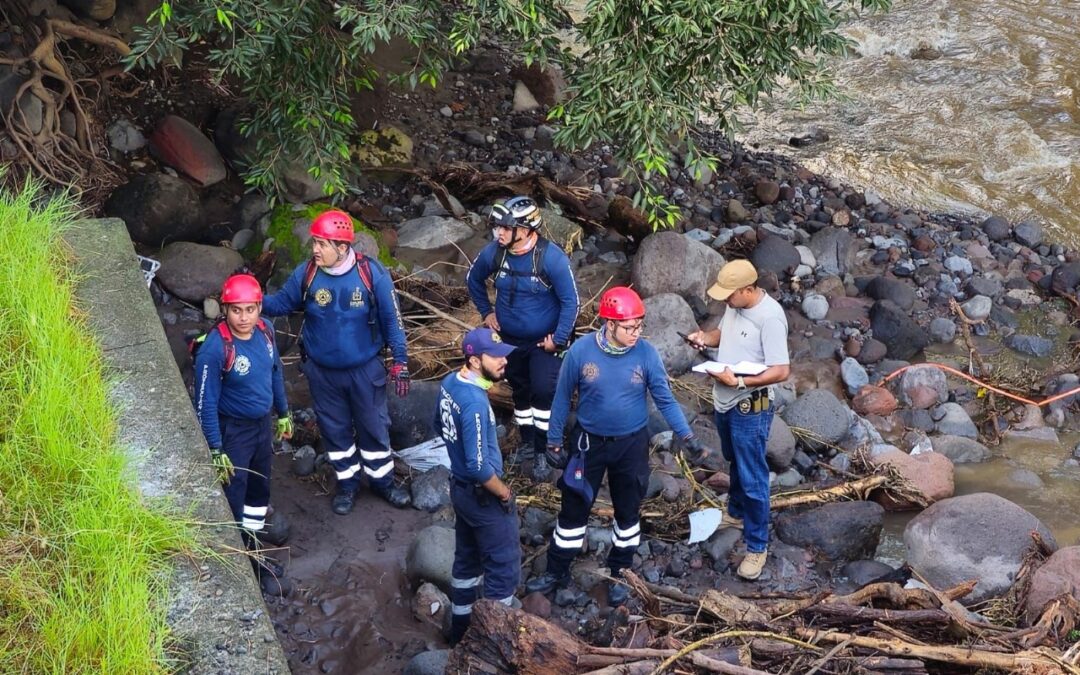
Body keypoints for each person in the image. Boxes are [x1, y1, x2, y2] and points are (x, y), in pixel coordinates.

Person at [525, 287, 707, 606]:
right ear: (609, 324)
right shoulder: (581, 351)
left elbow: (664, 398)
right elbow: (561, 397)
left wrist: (687, 436)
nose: (637, 332)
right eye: (630, 327)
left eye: (640, 325)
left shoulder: (647, 354)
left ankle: (621, 571)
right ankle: (557, 570)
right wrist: (553, 441)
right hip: (587, 443)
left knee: (628, 510)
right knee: (573, 509)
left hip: (631, 444)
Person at [262, 209, 411, 514]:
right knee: (335, 430)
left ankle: (383, 483)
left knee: (373, 427)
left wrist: (400, 360)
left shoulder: (372, 274)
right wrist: (251, 299)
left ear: (343, 248)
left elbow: (393, 320)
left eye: (322, 244)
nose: (315, 249)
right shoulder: (307, 274)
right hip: (322, 372)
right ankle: (348, 484)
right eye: (314, 242)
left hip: (365, 369)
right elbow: (280, 304)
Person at [687, 259, 790, 581]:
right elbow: (724, 334)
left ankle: (757, 546)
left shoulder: (771, 318)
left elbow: (780, 370)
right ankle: (735, 512)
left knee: (753, 474)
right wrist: (705, 338)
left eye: (729, 295)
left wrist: (742, 383)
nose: (724, 300)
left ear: (748, 289)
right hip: (724, 399)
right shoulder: (735, 306)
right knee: (733, 459)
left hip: (751, 406)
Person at [466, 196, 579, 480]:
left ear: (527, 229)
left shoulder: (550, 257)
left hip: (544, 342)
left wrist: (560, 339)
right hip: (509, 339)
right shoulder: (496, 253)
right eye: (497, 228)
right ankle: (528, 443)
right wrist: (486, 312)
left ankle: (544, 450)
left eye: (506, 228)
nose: (499, 233)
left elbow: (571, 302)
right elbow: (473, 279)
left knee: (543, 390)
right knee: (519, 389)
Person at [193, 273, 292, 581]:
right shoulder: (215, 347)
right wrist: (215, 446)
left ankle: (252, 545)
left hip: (262, 426)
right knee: (234, 494)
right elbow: (205, 402)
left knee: (260, 488)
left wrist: (284, 412)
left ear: (260, 308)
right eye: (237, 310)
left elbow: (275, 373)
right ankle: (239, 560)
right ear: (225, 309)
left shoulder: (266, 332)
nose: (244, 317)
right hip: (233, 431)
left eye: (250, 309)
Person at [435, 327, 520, 644]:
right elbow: (478, 466)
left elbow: (438, 425)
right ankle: (492, 642)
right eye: (496, 357)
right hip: (482, 495)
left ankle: (460, 631)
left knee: (467, 561)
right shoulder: (473, 402)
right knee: (503, 569)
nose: (503, 363)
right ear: (473, 360)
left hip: (460, 491)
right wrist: (504, 492)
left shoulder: (449, 384)